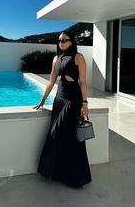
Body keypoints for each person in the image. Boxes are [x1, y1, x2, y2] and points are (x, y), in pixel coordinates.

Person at [33, 30, 92, 187]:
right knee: (56, 135)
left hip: (73, 100)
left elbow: (83, 82)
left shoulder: (78, 57)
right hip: (59, 99)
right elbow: (51, 81)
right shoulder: (55, 59)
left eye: (64, 40)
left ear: (71, 41)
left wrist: (85, 103)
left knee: (70, 137)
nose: (61, 43)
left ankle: (75, 177)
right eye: (59, 41)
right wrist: (42, 100)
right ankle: (56, 172)